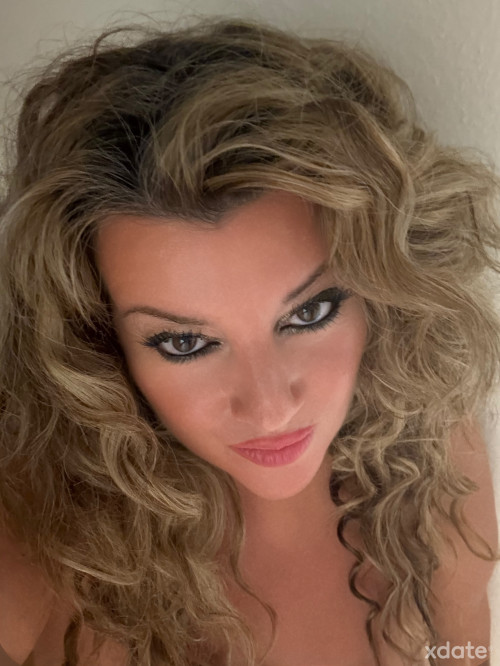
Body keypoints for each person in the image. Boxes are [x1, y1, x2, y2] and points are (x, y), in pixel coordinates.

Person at [0, 15, 498, 666]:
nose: (269, 408)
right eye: (185, 344)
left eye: (311, 312)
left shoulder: (428, 455)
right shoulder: (34, 541)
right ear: (97, 343)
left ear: (383, 290)